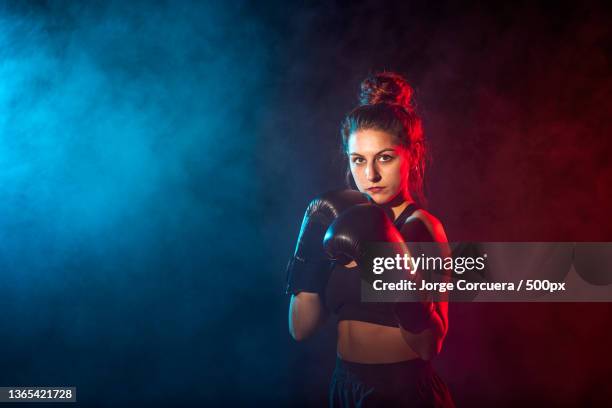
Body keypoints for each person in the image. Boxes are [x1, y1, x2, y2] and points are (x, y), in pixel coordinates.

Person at [286, 72, 455, 407]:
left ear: (412, 154)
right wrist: (310, 250)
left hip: (403, 392)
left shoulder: (422, 228)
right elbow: (300, 329)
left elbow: (429, 346)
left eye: (385, 157)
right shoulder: (333, 217)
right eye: (359, 160)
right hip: (344, 386)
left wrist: (396, 272)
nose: (371, 175)